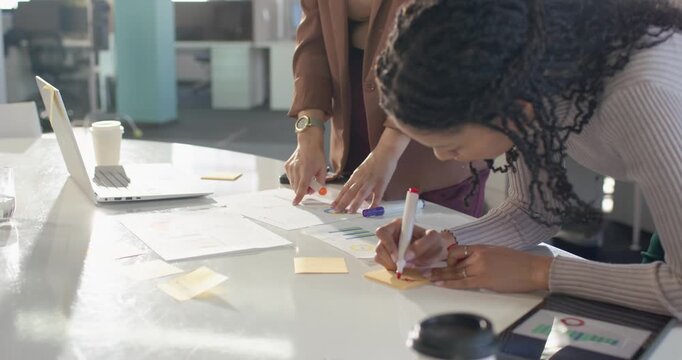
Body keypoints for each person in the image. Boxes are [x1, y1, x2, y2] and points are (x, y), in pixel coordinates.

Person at [373, 0, 682, 318]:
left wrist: (538, 272)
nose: (441, 157)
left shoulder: (642, 97)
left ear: (517, 110)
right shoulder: (527, 73)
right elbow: (534, 213)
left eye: (452, 146)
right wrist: (447, 241)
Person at [285, 0, 489, 216]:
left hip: (430, 153)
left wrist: (388, 149)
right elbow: (312, 48)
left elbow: (443, 50)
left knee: (434, 244)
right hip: (354, 142)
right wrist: (308, 134)